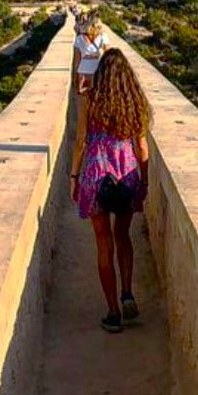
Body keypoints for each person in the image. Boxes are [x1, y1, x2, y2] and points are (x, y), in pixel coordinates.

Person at [69, 48, 151, 332]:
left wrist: (74, 177)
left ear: (101, 74)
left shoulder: (89, 100)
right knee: (123, 236)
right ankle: (127, 292)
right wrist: (144, 182)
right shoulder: (135, 103)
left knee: (103, 244)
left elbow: (80, 141)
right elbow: (142, 149)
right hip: (126, 174)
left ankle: (113, 313)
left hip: (95, 175)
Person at [72, 12, 108, 94]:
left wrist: (74, 76)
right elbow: (109, 55)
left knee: (83, 96)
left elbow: (77, 60)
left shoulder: (79, 38)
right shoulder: (103, 36)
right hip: (97, 68)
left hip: (83, 69)